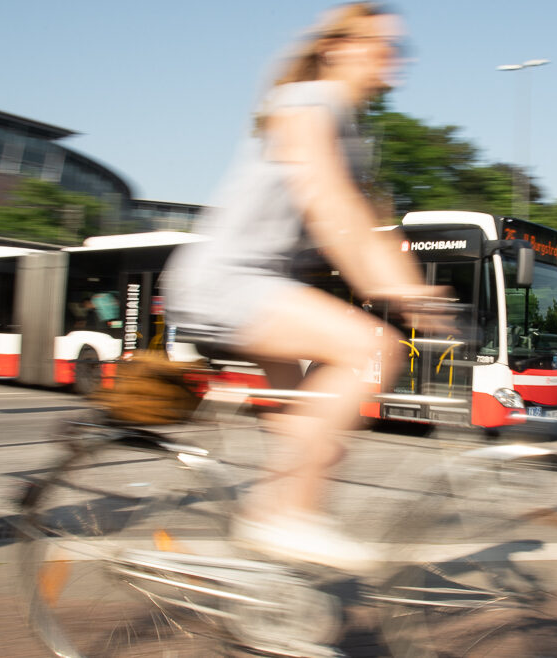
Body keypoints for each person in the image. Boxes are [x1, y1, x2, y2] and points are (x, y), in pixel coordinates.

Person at [163, 2, 444, 571]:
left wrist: (414, 288)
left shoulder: (350, 127)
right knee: (372, 348)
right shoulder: (307, 104)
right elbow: (328, 202)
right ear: (334, 48)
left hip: (261, 285)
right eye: (379, 46)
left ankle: (262, 583)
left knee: (316, 435)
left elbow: (369, 223)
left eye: (396, 50)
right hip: (229, 282)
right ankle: (280, 519)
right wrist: (396, 293)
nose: (391, 61)